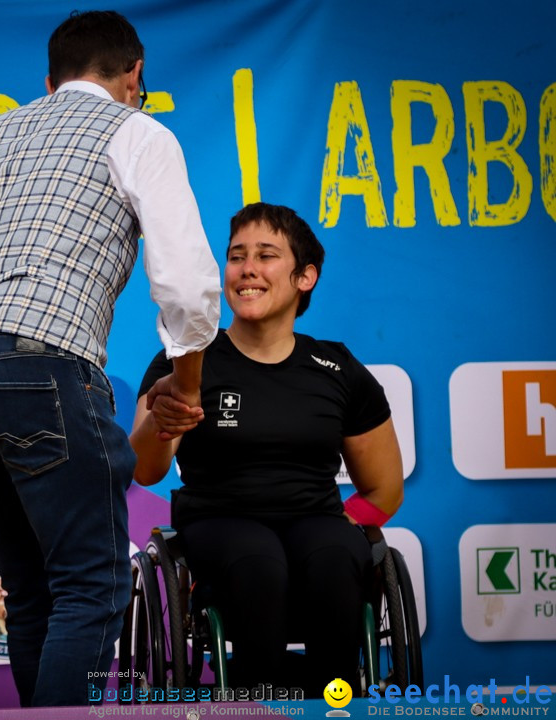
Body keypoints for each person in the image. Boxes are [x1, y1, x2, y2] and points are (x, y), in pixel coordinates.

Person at [0, 10, 220, 706]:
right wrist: (185, 386)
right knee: (92, 584)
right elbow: (186, 282)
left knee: (32, 588)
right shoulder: (138, 130)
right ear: (135, 73)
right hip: (39, 362)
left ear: (49, 82)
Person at [130, 202, 404, 697]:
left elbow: (384, 489)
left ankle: (336, 699)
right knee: (257, 558)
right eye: (237, 256)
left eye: (266, 255)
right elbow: (146, 469)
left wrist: (351, 518)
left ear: (305, 277)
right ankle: (257, 701)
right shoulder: (186, 359)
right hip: (218, 522)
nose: (247, 269)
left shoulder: (337, 369)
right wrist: (164, 423)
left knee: (338, 554)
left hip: (313, 518)